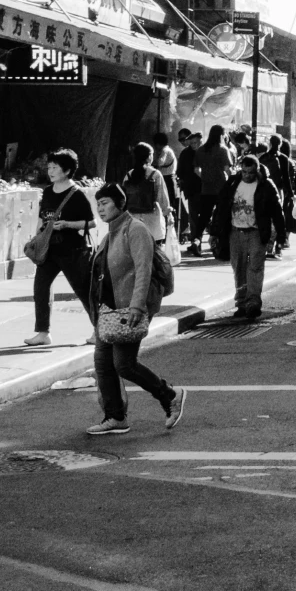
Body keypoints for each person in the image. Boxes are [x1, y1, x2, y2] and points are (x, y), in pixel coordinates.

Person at [86, 181, 186, 437]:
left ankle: (170, 396)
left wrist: (137, 306)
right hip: (109, 310)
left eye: (105, 202)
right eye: (98, 204)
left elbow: (144, 269)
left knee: (124, 364)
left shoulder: (135, 229)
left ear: (120, 204)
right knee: (103, 363)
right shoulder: (111, 233)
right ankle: (115, 417)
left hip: (129, 309)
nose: (101, 208)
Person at [24, 149, 98, 348]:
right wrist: (37, 236)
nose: (50, 171)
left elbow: (91, 223)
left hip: (72, 250)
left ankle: (100, 330)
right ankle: (42, 332)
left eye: (55, 167)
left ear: (67, 170)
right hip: (49, 250)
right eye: (49, 167)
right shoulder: (48, 191)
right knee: (40, 289)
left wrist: (67, 224)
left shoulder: (77, 195)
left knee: (82, 290)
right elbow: (42, 217)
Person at [211, 150, 285, 319]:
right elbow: (221, 208)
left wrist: (280, 235)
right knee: (239, 269)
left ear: (257, 170)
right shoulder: (232, 184)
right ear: (240, 169)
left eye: (251, 173)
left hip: (257, 232)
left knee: (255, 268)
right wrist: (214, 232)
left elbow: (277, 212)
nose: (247, 175)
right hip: (235, 232)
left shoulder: (266, 186)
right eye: (244, 172)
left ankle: (253, 302)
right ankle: (241, 303)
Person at [124, 141, 170, 243]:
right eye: (152, 154)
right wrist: (167, 211)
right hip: (152, 221)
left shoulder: (128, 175)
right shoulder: (155, 174)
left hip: (133, 220)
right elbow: (162, 199)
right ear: (148, 157)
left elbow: (124, 198)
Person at [176, 130, 206, 252]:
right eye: (192, 143)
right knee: (193, 216)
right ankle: (195, 242)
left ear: (201, 141)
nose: (194, 145)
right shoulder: (185, 153)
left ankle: (198, 240)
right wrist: (181, 180)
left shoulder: (206, 152)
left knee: (204, 217)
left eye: (196, 142)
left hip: (206, 189)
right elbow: (180, 171)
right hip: (192, 189)